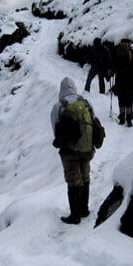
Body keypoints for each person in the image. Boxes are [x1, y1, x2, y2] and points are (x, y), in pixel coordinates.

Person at [50, 77, 96, 224]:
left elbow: (55, 128)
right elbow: (93, 120)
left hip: (69, 150)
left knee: (73, 179)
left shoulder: (59, 106)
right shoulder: (86, 102)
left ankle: (74, 215)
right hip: (87, 148)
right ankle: (84, 209)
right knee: (85, 176)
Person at [112, 37, 133, 127]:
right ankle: (125, 118)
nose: (125, 44)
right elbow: (114, 64)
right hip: (124, 80)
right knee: (124, 99)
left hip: (127, 80)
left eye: (126, 43)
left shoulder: (130, 53)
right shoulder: (126, 53)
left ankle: (126, 119)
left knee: (126, 100)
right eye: (124, 43)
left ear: (129, 44)